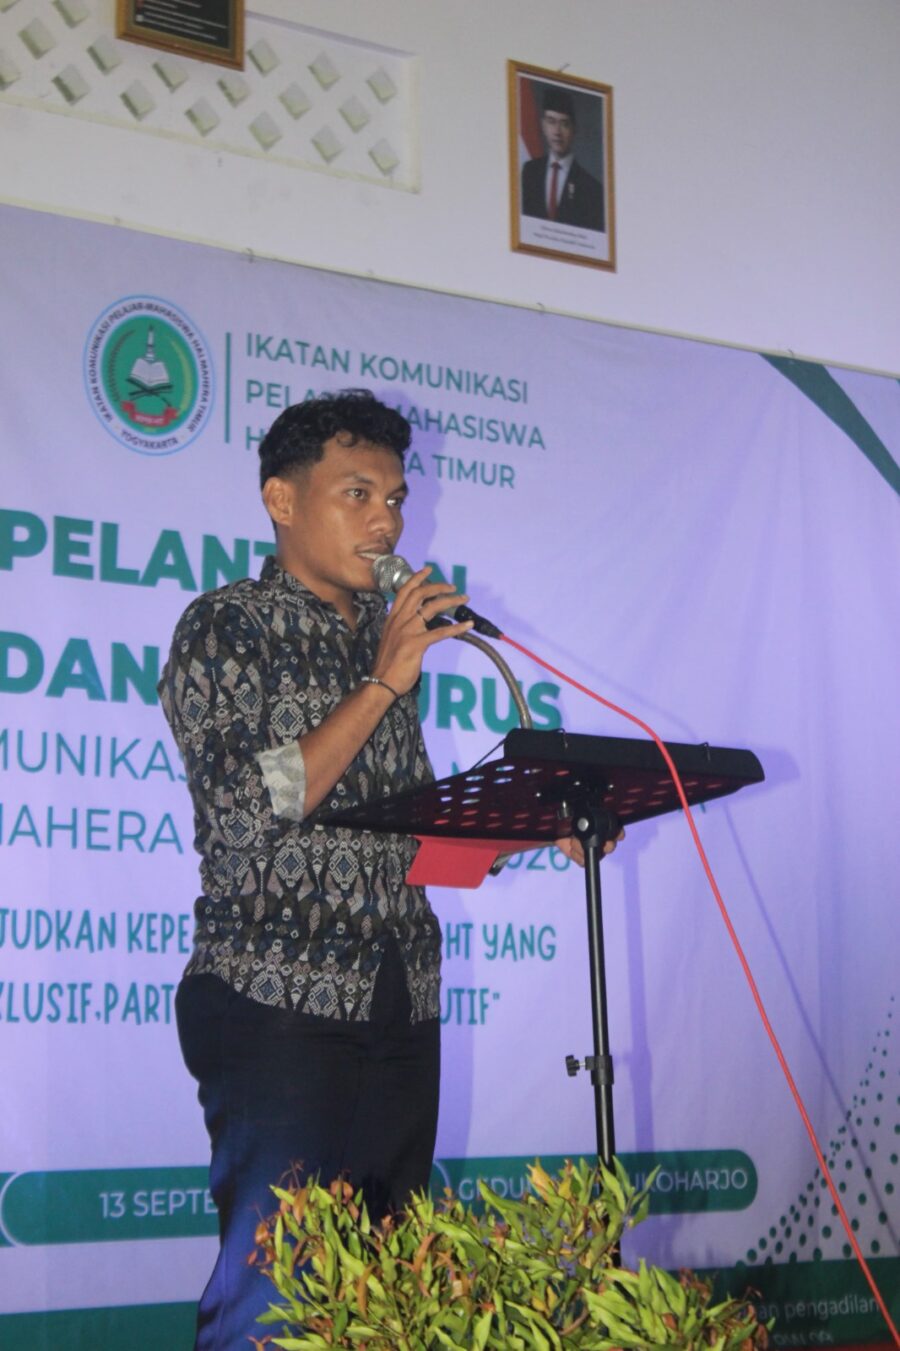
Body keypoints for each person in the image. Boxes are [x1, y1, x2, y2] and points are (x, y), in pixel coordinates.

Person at [159, 390, 474, 1349]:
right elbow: (245, 811)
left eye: (396, 498)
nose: (387, 521)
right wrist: (382, 681)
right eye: (358, 493)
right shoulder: (227, 625)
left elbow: (402, 830)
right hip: (275, 999)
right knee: (280, 1291)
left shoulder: (384, 640)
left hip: (398, 996)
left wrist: (547, 829)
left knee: (387, 1292)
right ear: (282, 501)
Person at [521, 86, 605, 231]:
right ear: (543, 125)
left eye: (564, 124)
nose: (557, 132)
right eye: (551, 121)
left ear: (574, 130)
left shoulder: (592, 188)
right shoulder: (529, 171)